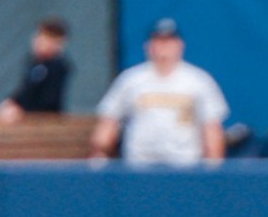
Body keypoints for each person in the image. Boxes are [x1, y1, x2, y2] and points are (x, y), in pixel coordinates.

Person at [91, 18, 228, 167]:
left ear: (180, 45)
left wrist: (214, 167)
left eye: (169, 41)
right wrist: (100, 155)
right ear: (149, 46)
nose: (164, 47)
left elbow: (211, 127)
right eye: (159, 41)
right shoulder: (131, 80)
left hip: (185, 166)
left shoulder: (199, 81)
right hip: (140, 166)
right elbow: (109, 121)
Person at [0, 16, 72, 123]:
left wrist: (22, 111)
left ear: (57, 44)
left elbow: (48, 101)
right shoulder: (33, 62)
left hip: (45, 123)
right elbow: (25, 91)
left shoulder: (58, 67)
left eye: (46, 39)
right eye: (38, 37)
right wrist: (11, 102)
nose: (38, 41)